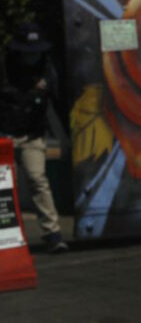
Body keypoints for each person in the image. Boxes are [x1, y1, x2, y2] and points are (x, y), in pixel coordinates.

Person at [0, 22, 68, 253]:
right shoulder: (5, 66)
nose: (33, 57)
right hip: (4, 136)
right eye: (29, 53)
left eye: (37, 52)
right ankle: (8, 239)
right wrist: (32, 88)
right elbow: (9, 91)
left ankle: (53, 233)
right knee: (6, 188)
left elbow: (56, 96)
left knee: (38, 180)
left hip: (32, 134)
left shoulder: (47, 67)